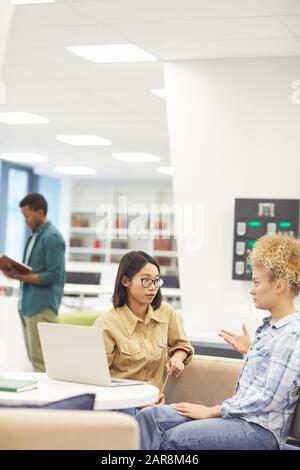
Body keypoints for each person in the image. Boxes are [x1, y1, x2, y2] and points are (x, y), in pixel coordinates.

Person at [135, 234, 300, 450]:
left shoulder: (293, 334)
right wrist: (251, 350)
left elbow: (268, 399)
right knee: (150, 417)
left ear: (279, 285)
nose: (252, 289)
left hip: (260, 431)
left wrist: (212, 410)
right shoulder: (269, 329)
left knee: (172, 439)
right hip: (240, 420)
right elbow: (269, 375)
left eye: (257, 282)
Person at [93, 251, 194, 405]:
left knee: (189, 417)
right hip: (121, 405)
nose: (153, 288)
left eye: (156, 281)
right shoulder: (106, 325)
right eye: (146, 281)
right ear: (125, 281)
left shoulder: (166, 312)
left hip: (155, 404)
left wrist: (177, 358)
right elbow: (96, 377)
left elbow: (182, 345)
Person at [2, 193, 65, 372]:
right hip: (28, 306)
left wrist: (18, 276)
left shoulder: (52, 237)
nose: (26, 221)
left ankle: (47, 400)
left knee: (43, 363)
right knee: (35, 359)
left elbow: (53, 276)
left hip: (42, 307)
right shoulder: (36, 236)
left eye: (28, 216)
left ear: (40, 212)